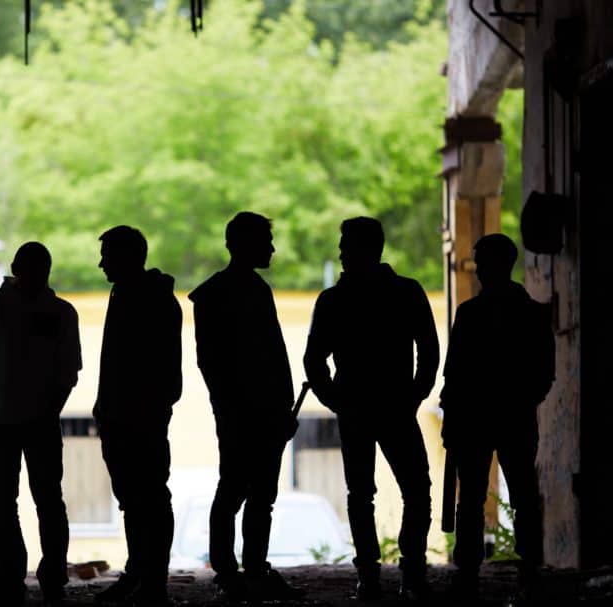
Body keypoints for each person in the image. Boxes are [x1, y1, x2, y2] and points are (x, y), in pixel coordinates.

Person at [303, 216, 439, 601]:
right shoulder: (407, 292)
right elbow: (428, 351)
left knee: (361, 493)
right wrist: (414, 395)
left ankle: (369, 575)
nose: (341, 252)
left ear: (366, 248)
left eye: (346, 245)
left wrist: (336, 400)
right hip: (396, 407)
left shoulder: (333, 300)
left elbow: (314, 361)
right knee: (416, 490)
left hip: (357, 409)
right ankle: (411, 573)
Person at [188, 211, 303, 601]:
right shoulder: (243, 291)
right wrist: (271, 407)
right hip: (248, 410)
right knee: (247, 493)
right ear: (245, 245)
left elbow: (265, 355)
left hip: (249, 410)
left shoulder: (221, 293)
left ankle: (237, 568)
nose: (271, 249)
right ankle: (240, 568)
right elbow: (226, 361)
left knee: (244, 491)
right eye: (265, 242)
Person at [0, 242, 81, 607]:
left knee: (4, 503)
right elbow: (68, 372)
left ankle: (12, 579)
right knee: (47, 501)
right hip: (34, 422)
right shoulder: (60, 313)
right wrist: (48, 412)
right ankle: (51, 577)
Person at [441, 234, 554, 599]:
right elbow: (544, 373)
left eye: (480, 264)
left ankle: (469, 571)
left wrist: (454, 416)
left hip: (476, 419)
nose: (479, 271)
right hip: (515, 418)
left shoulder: (471, 314)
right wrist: (520, 402)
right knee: (522, 496)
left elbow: (454, 374)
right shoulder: (533, 313)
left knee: (471, 498)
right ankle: (530, 568)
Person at [93, 226, 182, 605]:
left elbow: (158, 370)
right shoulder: (136, 295)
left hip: (137, 416)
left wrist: (135, 408)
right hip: (127, 415)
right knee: (139, 498)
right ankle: (144, 576)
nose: (101, 264)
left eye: (107, 256)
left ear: (127, 258)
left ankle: (150, 581)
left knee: (147, 498)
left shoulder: (146, 299)